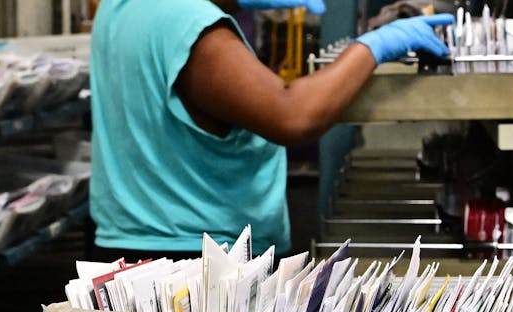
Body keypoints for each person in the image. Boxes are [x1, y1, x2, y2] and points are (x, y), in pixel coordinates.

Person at [88, 0, 453, 259]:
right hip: (200, 262)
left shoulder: (120, 7)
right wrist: (375, 46)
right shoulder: (188, 20)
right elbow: (292, 116)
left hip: (127, 246)